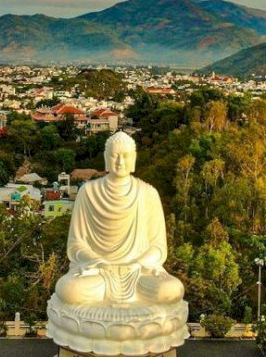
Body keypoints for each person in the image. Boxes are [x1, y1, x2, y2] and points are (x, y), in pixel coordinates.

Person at [53, 131, 185, 307]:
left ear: (134, 158)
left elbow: (158, 247)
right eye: (115, 156)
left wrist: (138, 264)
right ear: (106, 158)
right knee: (70, 290)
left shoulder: (147, 193)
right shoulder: (88, 192)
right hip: (98, 271)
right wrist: (99, 262)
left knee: (171, 290)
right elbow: (76, 244)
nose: (120, 162)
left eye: (125, 156)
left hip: (138, 271)